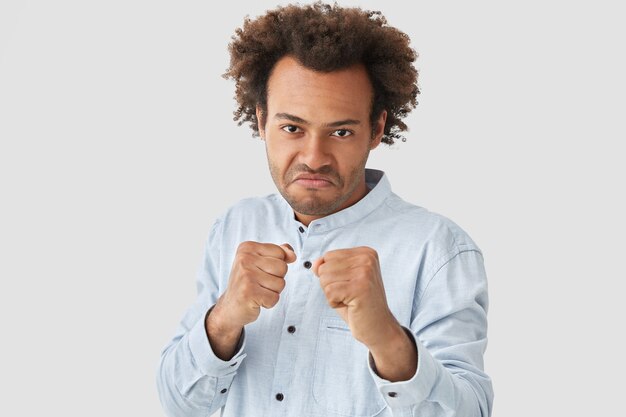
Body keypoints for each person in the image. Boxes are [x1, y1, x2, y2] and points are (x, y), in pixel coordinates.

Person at [156, 2, 493, 416]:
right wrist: (223, 321)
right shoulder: (233, 226)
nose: (314, 157)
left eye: (340, 131)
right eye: (292, 128)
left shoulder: (440, 250)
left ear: (376, 129)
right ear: (262, 121)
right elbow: (178, 403)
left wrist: (388, 341)